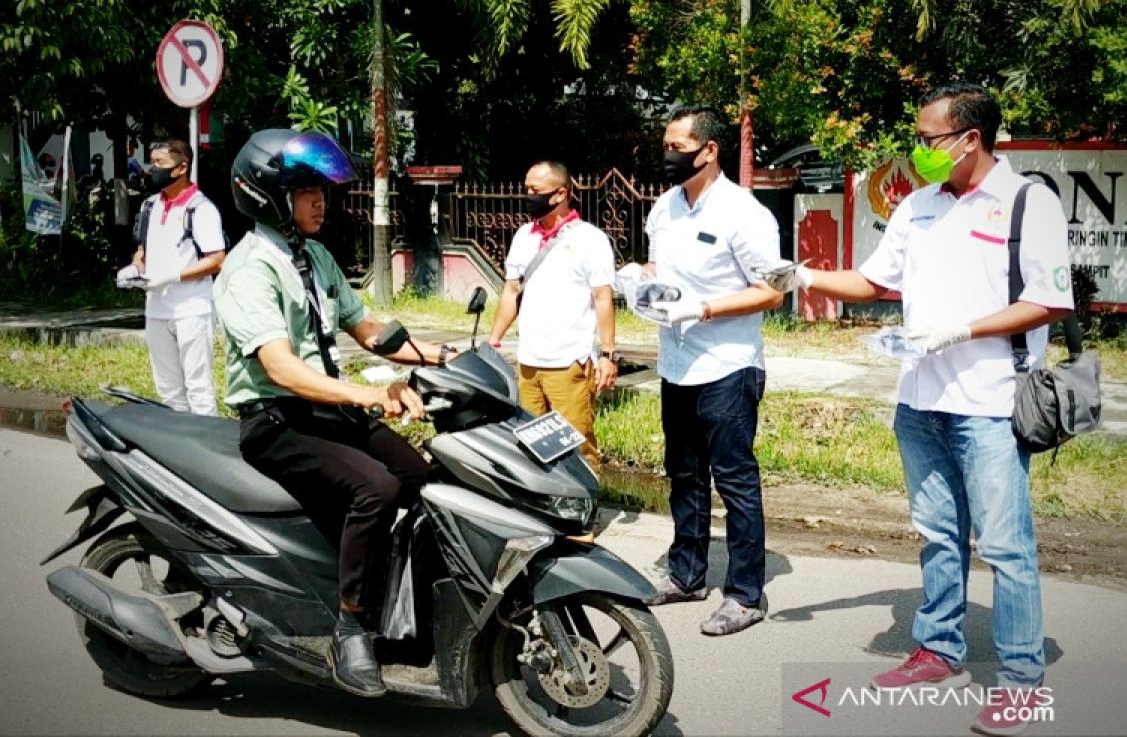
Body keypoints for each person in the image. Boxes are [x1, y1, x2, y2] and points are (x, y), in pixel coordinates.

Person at [763, 83, 1073, 736]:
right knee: (936, 534)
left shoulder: (1027, 203)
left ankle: (1021, 679)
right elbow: (877, 283)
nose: (919, 150)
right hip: (921, 400)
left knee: (1005, 546)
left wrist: (959, 330)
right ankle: (938, 648)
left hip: (990, 401)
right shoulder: (919, 207)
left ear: (970, 139)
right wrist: (806, 276)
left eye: (929, 139)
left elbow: (1049, 300)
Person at [214, 128, 456, 698]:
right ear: (270, 196)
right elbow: (281, 369)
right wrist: (368, 395)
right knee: (374, 487)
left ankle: (404, 596)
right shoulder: (249, 268)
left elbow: (364, 327)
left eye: (322, 190)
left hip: (321, 411)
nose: (321, 201)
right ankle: (350, 624)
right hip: (276, 421)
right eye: (306, 191)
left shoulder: (313, 256)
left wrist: (439, 357)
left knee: (421, 476)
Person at [641, 105, 785, 637]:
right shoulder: (664, 208)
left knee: (735, 481)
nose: (668, 155)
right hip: (676, 364)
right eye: (666, 145)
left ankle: (746, 595)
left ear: (709, 150)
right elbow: (661, 271)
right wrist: (639, 279)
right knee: (683, 475)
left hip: (727, 366)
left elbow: (771, 289)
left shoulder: (744, 214)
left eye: (679, 146)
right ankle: (687, 575)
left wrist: (702, 308)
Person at [487, 160, 618, 471]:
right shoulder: (523, 236)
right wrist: (493, 340)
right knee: (529, 445)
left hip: (569, 363)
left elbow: (603, 298)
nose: (528, 196)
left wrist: (608, 354)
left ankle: (584, 513)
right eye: (526, 189)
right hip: (529, 363)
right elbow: (511, 293)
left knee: (577, 444)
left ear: (560, 194)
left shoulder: (589, 239)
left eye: (536, 191)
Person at [130, 138, 225, 415]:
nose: (152, 169)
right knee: (168, 389)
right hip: (156, 309)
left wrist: (174, 276)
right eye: (152, 162)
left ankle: (207, 447)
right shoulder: (149, 206)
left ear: (182, 167)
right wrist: (135, 269)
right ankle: (178, 448)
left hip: (191, 309)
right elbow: (142, 251)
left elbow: (217, 259)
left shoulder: (201, 208)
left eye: (160, 163)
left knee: (198, 387)